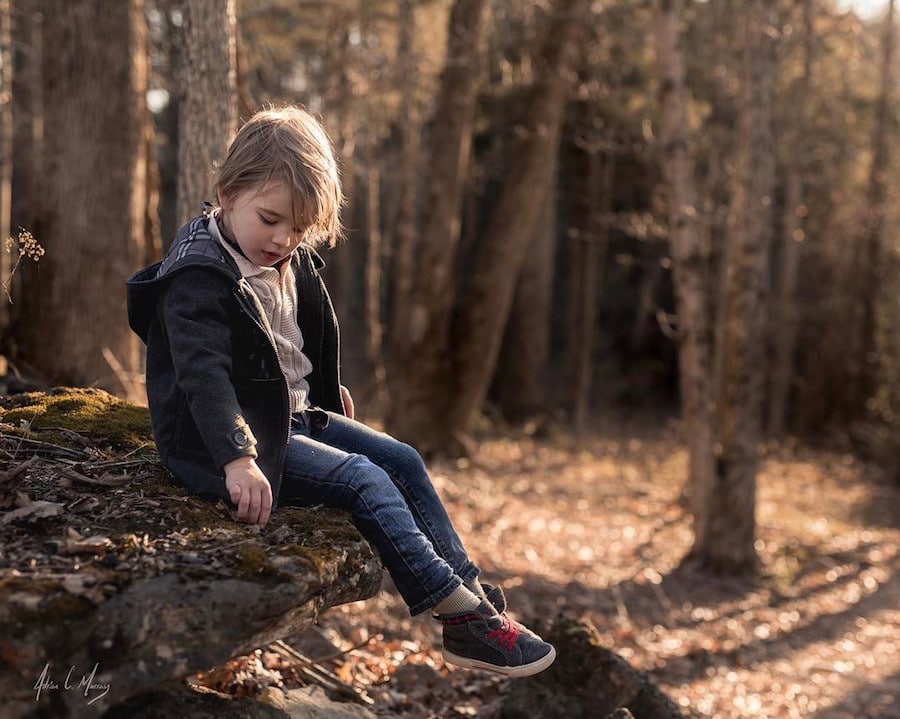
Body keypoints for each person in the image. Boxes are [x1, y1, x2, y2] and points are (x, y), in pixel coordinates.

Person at [126, 105, 556, 678]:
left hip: (293, 415)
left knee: (401, 458)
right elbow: (203, 376)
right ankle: (455, 615)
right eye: (271, 218)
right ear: (228, 192)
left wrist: (325, 395)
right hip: (223, 440)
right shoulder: (199, 277)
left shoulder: (284, 258)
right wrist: (236, 455)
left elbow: (297, 339)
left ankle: (472, 595)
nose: (283, 240)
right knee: (362, 478)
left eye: (300, 229)